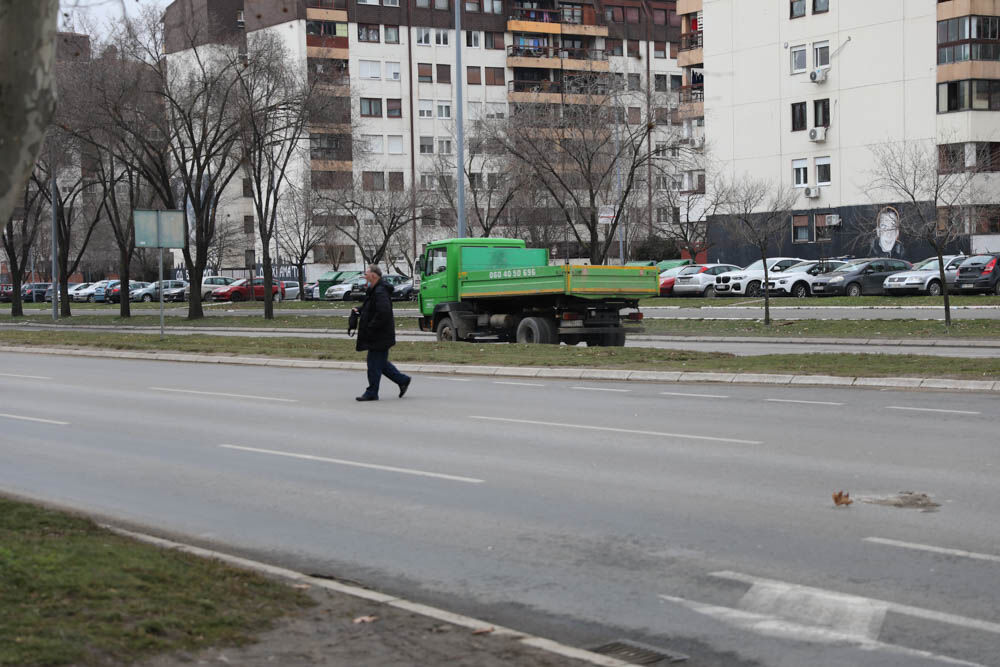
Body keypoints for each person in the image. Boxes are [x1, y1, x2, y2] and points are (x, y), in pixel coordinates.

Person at [353, 265, 411, 401]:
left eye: (366, 273)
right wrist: (359, 310)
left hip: (380, 335)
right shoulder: (374, 290)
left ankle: (372, 392)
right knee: (380, 363)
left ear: (374, 275)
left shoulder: (380, 291)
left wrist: (370, 327)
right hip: (379, 334)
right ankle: (403, 380)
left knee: (373, 364)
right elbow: (372, 308)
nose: (364, 275)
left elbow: (383, 312)